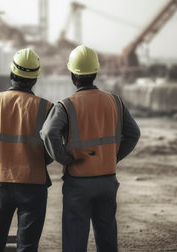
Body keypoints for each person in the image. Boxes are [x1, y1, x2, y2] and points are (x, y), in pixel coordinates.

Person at [40, 45, 140, 252]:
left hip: (78, 182)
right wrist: (113, 157)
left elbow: (48, 133)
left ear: (73, 75)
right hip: (107, 179)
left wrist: (65, 158)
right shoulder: (115, 101)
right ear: (95, 72)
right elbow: (133, 134)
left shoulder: (66, 105)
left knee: (75, 241)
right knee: (107, 239)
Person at [0, 48, 53, 252]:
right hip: (34, 182)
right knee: (27, 246)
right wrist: (42, 161)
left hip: (1, 180)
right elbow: (53, 140)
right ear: (35, 79)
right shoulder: (46, 107)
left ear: (12, 73)